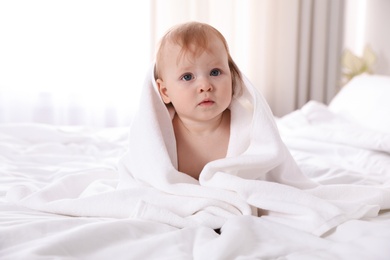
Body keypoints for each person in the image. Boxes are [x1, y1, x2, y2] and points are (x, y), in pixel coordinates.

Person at [154, 21, 244, 180]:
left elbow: (264, 169)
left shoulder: (245, 128)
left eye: (215, 72)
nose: (205, 86)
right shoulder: (162, 135)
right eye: (187, 77)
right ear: (165, 91)